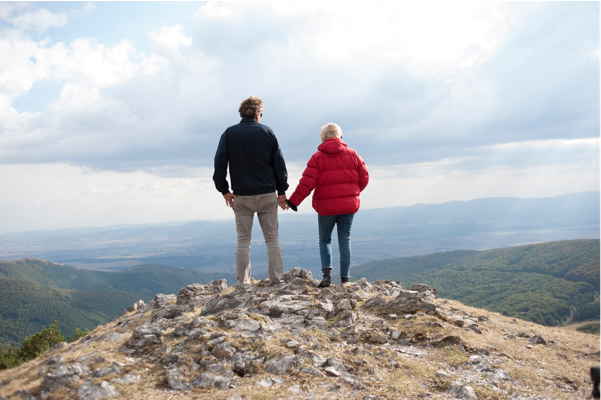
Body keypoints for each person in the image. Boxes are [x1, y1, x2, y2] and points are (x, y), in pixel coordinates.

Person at [213, 96, 289, 285]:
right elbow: (279, 164)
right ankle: (276, 280)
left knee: (243, 241)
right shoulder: (267, 132)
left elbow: (219, 164)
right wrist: (282, 192)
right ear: (257, 114)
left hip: (241, 195)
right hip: (267, 194)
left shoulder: (230, 134)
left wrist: (224, 190)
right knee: (272, 239)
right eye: (261, 113)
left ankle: (244, 283)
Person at [287, 123, 369, 287]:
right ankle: (345, 279)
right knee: (345, 240)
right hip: (348, 206)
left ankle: (326, 278)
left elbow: (306, 183)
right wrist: (352, 194)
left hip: (326, 208)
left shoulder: (317, 157)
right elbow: (365, 177)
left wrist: (293, 201)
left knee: (325, 240)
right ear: (340, 137)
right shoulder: (353, 154)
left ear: (324, 138)